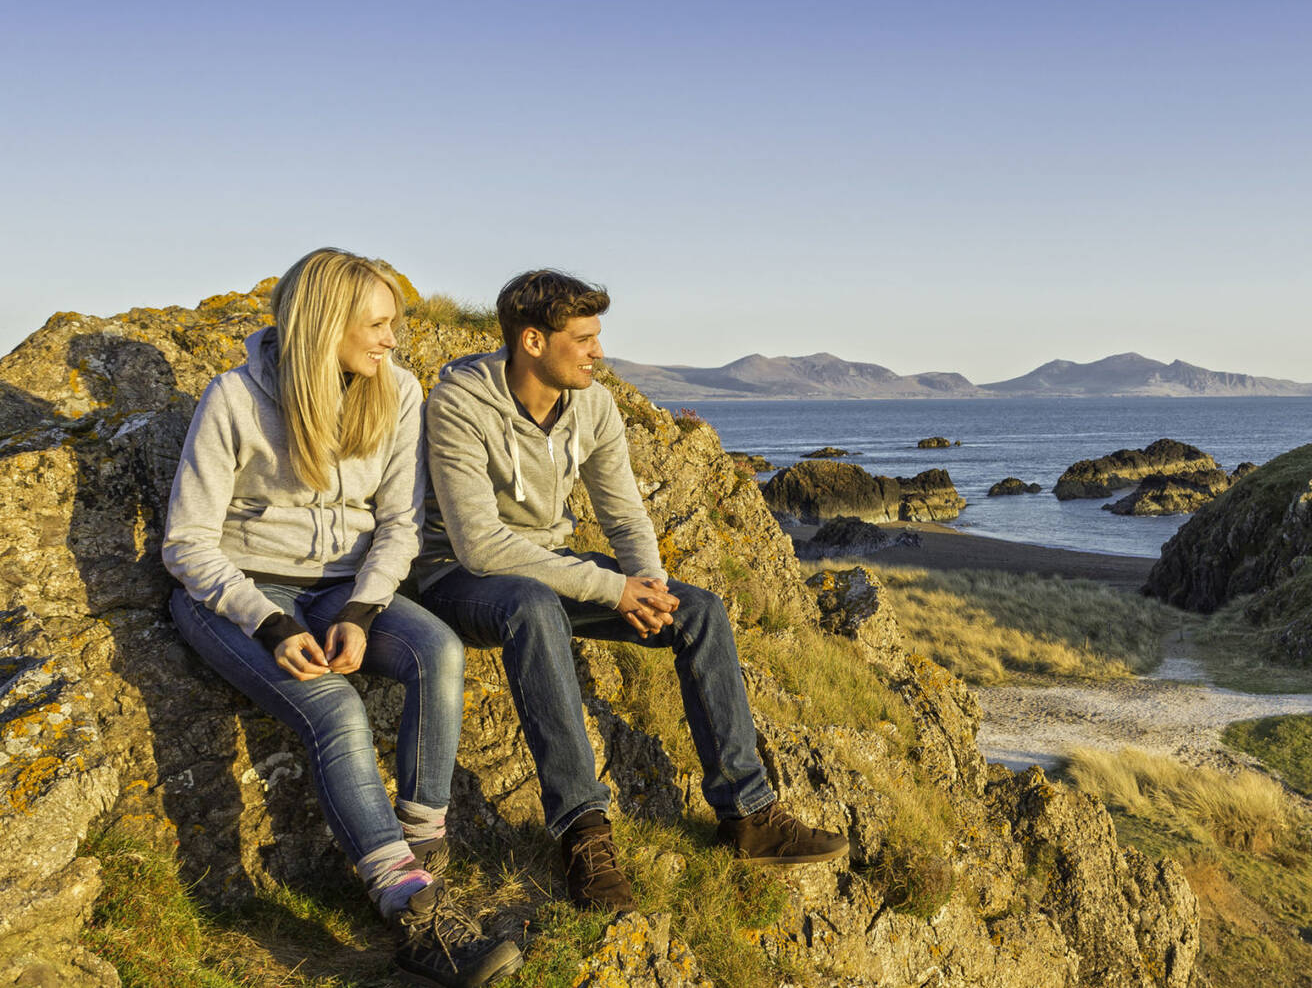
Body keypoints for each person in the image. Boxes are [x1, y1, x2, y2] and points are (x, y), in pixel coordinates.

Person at [415, 268, 848, 912]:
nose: (598, 351)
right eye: (584, 338)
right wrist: (609, 589)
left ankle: (748, 815)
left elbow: (622, 515)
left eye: (598, 336)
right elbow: (480, 545)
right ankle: (584, 836)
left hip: (547, 563)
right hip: (456, 576)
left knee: (697, 610)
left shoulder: (592, 402)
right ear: (532, 342)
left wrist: (648, 587)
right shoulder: (459, 402)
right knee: (532, 607)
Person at [162, 249, 520, 988]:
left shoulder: (397, 392)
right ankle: (418, 921)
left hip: (339, 590)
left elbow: (399, 524)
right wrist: (268, 623)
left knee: (440, 652)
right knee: (337, 709)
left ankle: (424, 852)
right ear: (327, 322)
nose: (392, 339)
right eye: (379, 323)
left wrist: (362, 608)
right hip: (238, 593)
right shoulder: (232, 397)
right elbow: (186, 543)